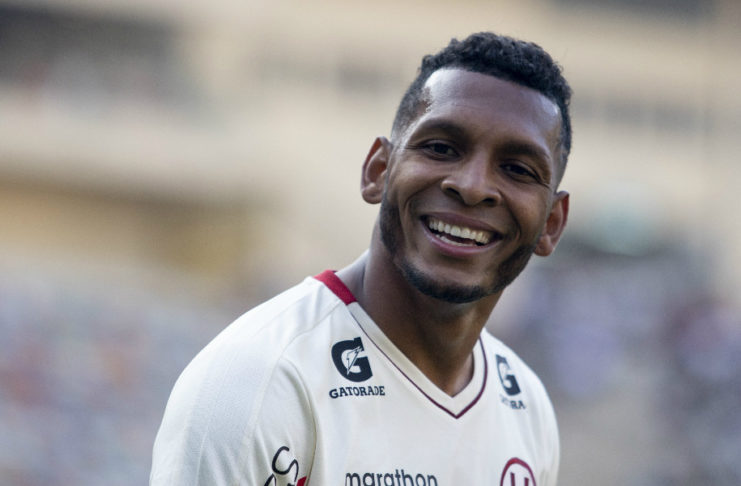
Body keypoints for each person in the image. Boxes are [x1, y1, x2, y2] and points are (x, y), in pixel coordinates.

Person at [151, 31, 572, 486]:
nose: (471, 186)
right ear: (378, 171)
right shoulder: (260, 383)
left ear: (551, 223)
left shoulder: (527, 408)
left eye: (518, 169)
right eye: (440, 148)